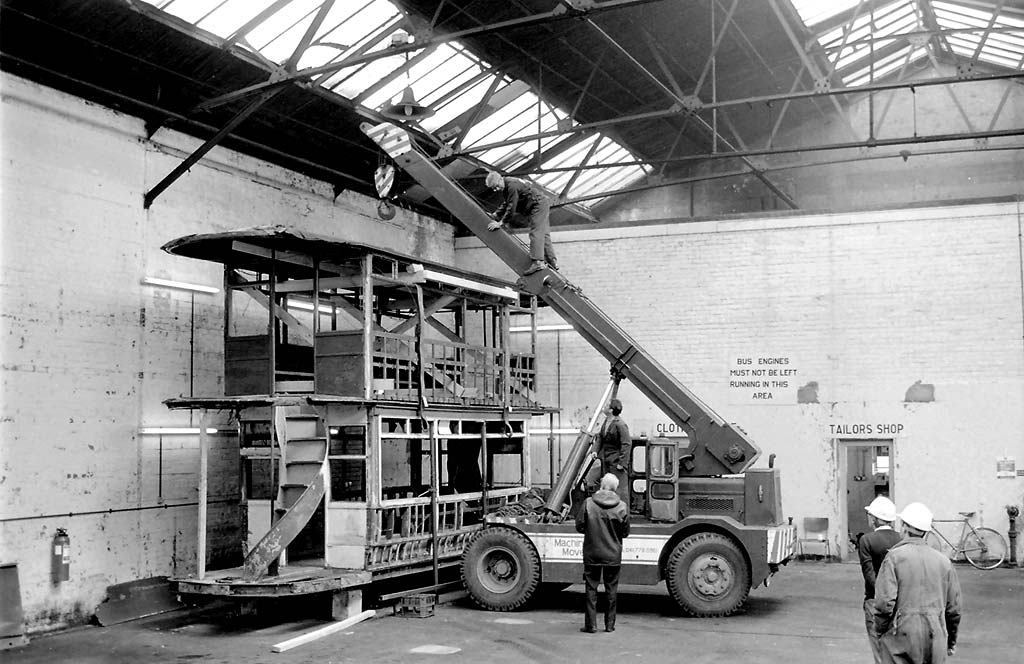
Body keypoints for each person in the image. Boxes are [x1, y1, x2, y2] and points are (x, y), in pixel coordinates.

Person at [872, 502, 962, 664]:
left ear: (904, 527)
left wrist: (879, 631)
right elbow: (953, 610)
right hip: (936, 635)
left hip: (900, 635)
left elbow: (884, 604)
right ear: (926, 532)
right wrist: (951, 641)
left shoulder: (894, 558)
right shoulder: (943, 562)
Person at [574, 473, 630, 633]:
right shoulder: (622, 506)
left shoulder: (588, 503)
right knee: (611, 590)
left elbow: (579, 526)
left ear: (602, 486)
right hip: (613, 555)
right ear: (615, 488)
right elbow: (625, 532)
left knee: (591, 589)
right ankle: (610, 625)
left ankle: (591, 625)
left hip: (592, 553)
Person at [485, 171, 557, 274]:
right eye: (494, 188)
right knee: (543, 233)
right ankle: (552, 260)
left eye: (496, 186)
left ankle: (538, 262)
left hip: (538, 205)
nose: (496, 190)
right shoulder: (508, 185)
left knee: (536, 232)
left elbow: (512, 207)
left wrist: (501, 223)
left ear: (500, 179)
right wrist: (496, 214)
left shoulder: (511, 186)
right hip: (540, 204)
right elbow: (507, 202)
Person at [858, 496, 903, 663]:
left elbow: (869, 575)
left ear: (875, 519)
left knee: (879, 650)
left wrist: (881, 596)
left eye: (870, 515)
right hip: (900, 601)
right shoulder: (901, 539)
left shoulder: (867, 540)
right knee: (896, 651)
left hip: (875, 601)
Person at [597, 398, 631, 502]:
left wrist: (622, 463)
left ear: (611, 410)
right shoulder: (606, 421)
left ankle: (623, 514)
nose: (604, 407)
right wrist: (595, 451)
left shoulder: (620, 424)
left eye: (607, 405)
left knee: (619, 490)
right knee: (607, 489)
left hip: (616, 463)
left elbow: (626, 444)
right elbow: (600, 437)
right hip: (606, 461)